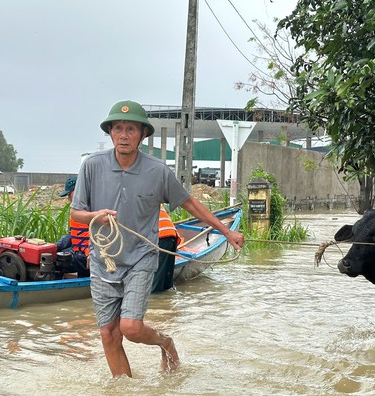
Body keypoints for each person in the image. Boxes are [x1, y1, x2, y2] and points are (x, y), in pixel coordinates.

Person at [71, 100, 245, 378]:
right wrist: (97, 216)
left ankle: (166, 343)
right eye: (118, 128)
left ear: (142, 135)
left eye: (131, 129)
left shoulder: (157, 170)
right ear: (110, 132)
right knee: (108, 333)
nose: (124, 135)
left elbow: (189, 204)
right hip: (104, 261)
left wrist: (227, 232)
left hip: (141, 257)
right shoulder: (92, 166)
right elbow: (76, 213)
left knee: (130, 328)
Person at [55, 177, 90, 278]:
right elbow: (72, 234)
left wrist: (91, 253)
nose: (69, 198)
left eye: (69, 194)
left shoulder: (92, 208)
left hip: (89, 256)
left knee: (57, 263)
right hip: (78, 251)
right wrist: (57, 246)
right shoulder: (75, 212)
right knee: (55, 257)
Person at [151, 204, 180, 293]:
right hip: (170, 235)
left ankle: (157, 303)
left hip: (160, 236)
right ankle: (167, 303)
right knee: (167, 284)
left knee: (154, 284)